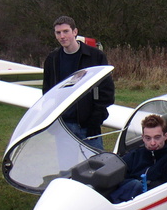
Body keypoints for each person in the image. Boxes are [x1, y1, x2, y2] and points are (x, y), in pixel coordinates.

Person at [42, 16, 114, 150]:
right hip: (64, 125)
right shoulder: (52, 60)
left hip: (89, 125)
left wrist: (96, 119)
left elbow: (107, 91)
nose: (62, 36)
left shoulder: (95, 56)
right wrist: (51, 120)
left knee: (96, 167)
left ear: (75, 32)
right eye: (58, 33)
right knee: (66, 169)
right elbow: (47, 93)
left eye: (66, 31)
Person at [109, 114, 167, 203]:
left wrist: (144, 185)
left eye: (157, 137)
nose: (152, 143)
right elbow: (117, 179)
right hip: (124, 202)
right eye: (148, 138)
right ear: (143, 137)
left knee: (135, 184)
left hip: (156, 204)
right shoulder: (134, 155)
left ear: (165, 136)